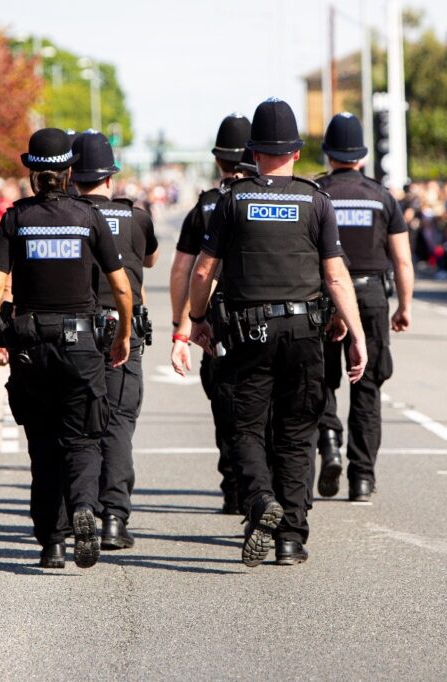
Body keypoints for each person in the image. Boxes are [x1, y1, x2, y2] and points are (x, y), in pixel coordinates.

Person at [188, 98, 367, 567]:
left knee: (244, 428)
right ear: (295, 150)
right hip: (304, 334)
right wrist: (356, 334)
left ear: (254, 150)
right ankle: (290, 538)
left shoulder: (232, 200)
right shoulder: (316, 200)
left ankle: (261, 500)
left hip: (247, 335)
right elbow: (335, 276)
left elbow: (205, 269)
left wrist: (197, 318)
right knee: (295, 434)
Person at [0, 128, 133, 569]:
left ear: (32, 173)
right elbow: (121, 287)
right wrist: (123, 335)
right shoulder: (87, 216)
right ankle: (83, 507)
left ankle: (52, 545)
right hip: (80, 346)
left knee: (42, 448)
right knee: (82, 440)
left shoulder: (16, 218)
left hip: (30, 348)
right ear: (68, 171)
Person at [314, 112, 414, 503]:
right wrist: (403, 305)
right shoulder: (381, 196)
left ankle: (329, 441)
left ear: (328, 153)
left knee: (321, 380)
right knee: (367, 386)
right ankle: (362, 478)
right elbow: (402, 261)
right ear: (362, 154)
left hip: (324, 297)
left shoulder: (316, 193)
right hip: (371, 296)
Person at [71, 131, 158, 550]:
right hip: (123, 329)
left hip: (77, 333)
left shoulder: (67, 216)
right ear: (110, 176)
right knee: (119, 424)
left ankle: (80, 508)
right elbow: (151, 258)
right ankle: (114, 520)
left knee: (79, 426)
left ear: (72, 175)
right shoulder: (137, 217)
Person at [170, 113, 250, 514]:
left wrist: (181, 325)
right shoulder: (275, 199)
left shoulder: (205, 207)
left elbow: (185, 270)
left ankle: (233, 486)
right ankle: (264, 488)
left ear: (218, 159)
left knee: (224, 406)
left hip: (217, 324)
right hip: (265, 321)